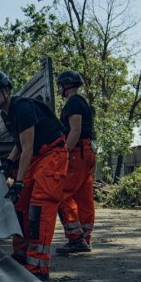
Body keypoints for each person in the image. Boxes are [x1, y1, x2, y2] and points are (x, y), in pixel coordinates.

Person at [0, 71, 68, 280]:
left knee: (40, 205)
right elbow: (20, 145)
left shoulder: (23, 108)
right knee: (20, 205)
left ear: (6, 91)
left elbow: (27, 148)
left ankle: (38, 265)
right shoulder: (6, 113)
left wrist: (18, 181)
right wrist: (9, 160)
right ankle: (21, 255)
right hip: (36, 156)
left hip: (52, 154)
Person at [55, 70, 97, 254]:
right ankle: (84, 237)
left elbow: (75, 130)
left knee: (62, 194)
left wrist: (64, 153)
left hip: (77, 152)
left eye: (60, 86)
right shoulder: (82, 102)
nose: (59, 89)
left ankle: (75, 238)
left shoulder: (73, 103)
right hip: (87, 151)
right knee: (83, 197)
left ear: (66, 85)